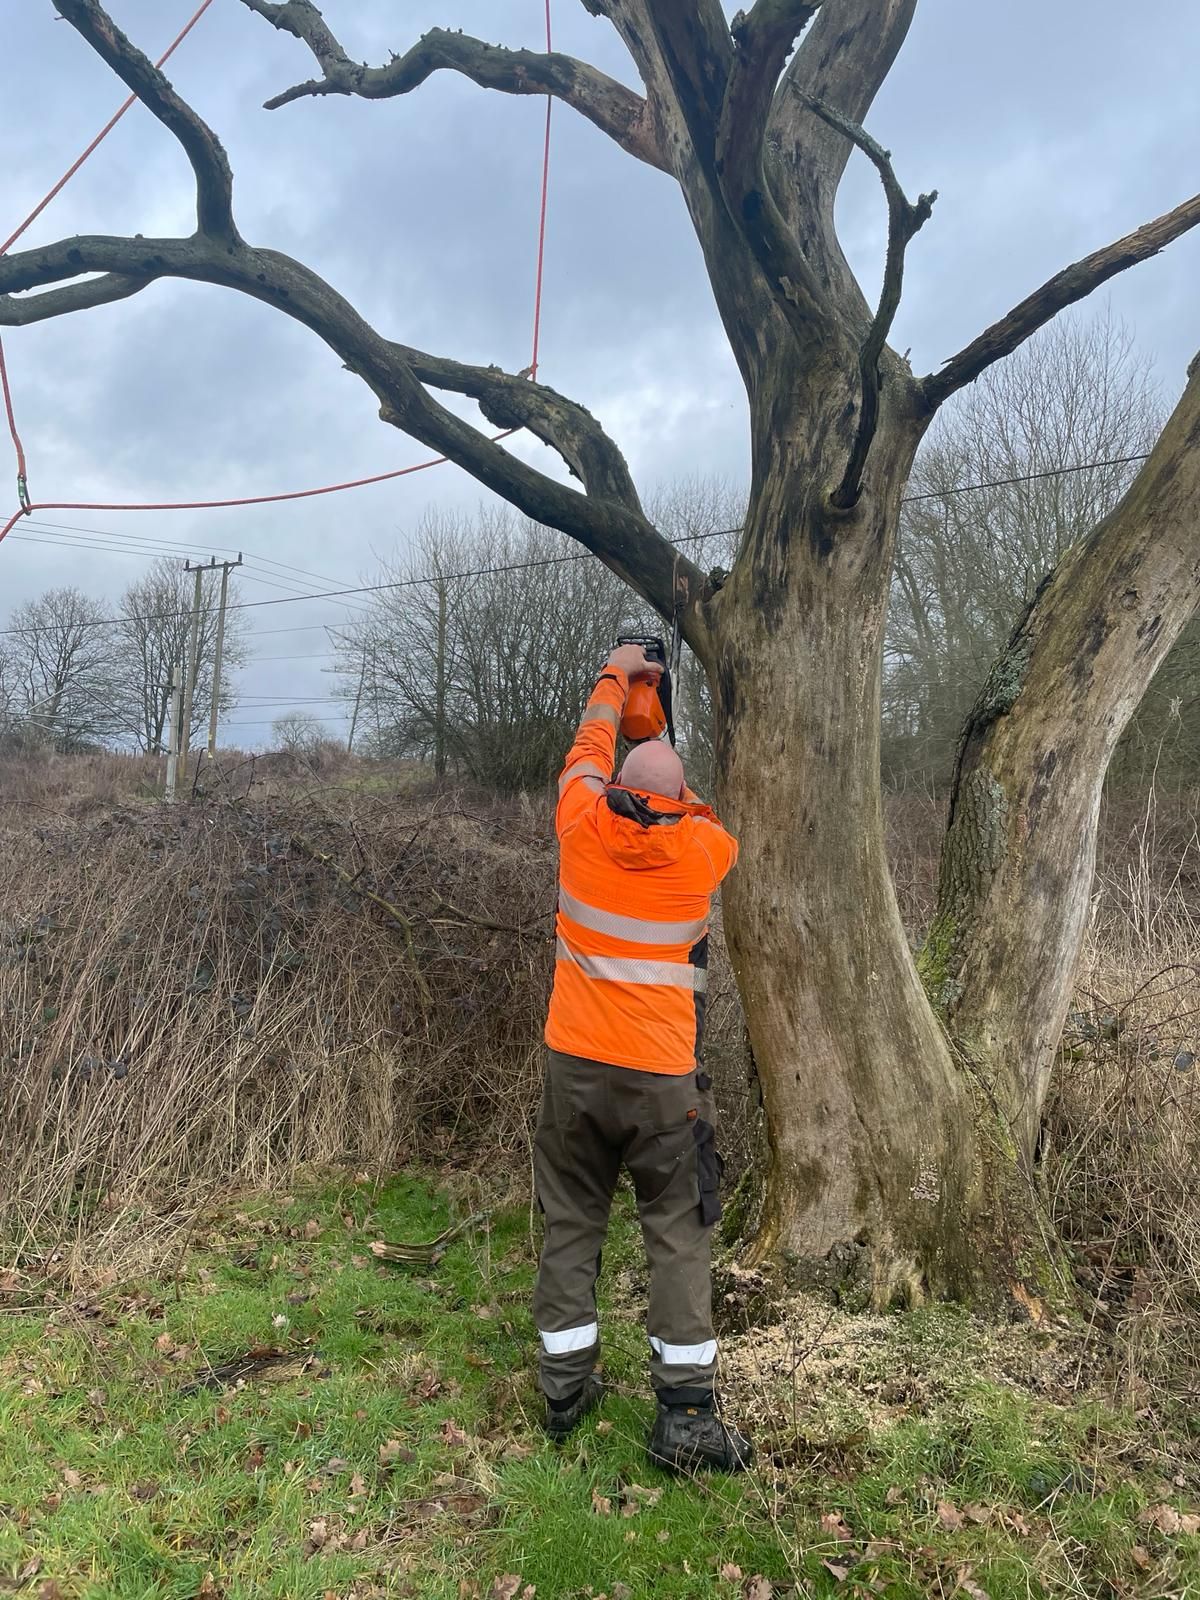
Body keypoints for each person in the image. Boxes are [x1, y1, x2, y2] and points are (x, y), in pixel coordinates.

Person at [532, 641, 751, 1474]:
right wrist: (664, 731)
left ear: (615, 789)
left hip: (574, 1068)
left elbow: (588, 750)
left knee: (572, 1217)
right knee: (676, 1229)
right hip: (662, 1079)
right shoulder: (704, 852)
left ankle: (564, 1390)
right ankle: (686, 1419)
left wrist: (622, 673)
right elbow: (690, 806)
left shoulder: (579, 824)